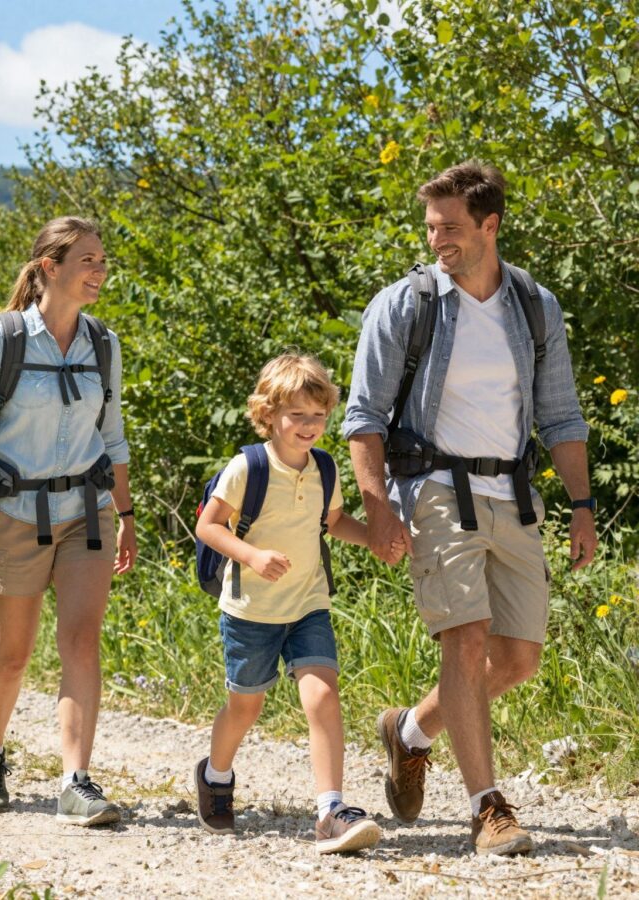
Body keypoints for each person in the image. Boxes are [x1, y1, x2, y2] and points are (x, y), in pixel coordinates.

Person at [343, 161, 597, 856]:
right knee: (468, 637)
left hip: (512, 493)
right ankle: (489, 809)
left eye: (450, 228)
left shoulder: (534, 305)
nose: (436, 241)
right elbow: (364, 416)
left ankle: (410, 731)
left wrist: (581, 504)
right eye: (430, 228)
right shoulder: (404, 304)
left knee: (517, 658)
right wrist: (378, 507)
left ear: (491, 225)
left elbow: (562, 414)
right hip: (431, 490)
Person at [0, 216, 135, 826]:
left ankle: (75, 781)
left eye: (102, 260)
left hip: (87, 512)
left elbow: (114, 437)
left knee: (81, 639)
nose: (100, 270)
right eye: (87, 260)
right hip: (13, 514)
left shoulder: (103, 344)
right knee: (13, 652)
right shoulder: (0, 341)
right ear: (50, 267)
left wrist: (125, 512)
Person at [193, 354, 384, 853]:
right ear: (269, 413)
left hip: (307, 605)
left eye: (318, 416)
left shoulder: (324, 466)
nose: (309, 426)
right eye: (297, 415)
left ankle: (331, 809)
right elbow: (208, 527)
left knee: (323, 696)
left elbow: (334, 522)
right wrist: (251, 554)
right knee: (245, 707)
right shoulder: (247, 467)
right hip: (250, 612)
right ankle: (215, 776)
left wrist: (379, 539)